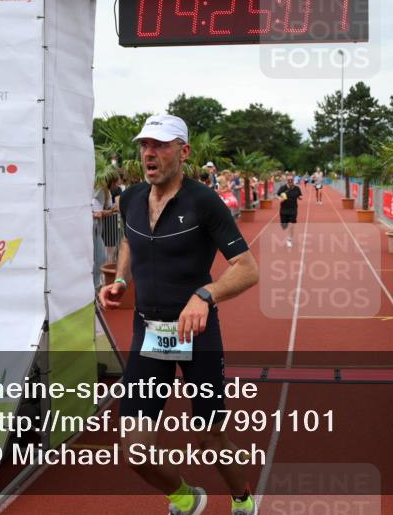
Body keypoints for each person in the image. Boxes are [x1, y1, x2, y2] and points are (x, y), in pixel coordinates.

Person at [98, 114, 260, 515]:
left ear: (183, 152)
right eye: (144, 145)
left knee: (210, 439)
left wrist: (205, 295)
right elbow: (131, 244)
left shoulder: (204, 202)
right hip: (149, 335)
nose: (149, 153)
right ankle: (187, 498)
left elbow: (247, 268)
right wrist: (119, 279)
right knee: (134, 450)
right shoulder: (130, 198)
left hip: (196, 334)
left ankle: (242, 498)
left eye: (161, 145)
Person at [276, 174, 303, 248]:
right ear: (287, 181)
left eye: (291, 179)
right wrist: (280, 199)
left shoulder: (297, 188)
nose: (290, 181)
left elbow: (300, 196)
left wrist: (300, 197)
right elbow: (277, 195)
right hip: (284, 210)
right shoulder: (283, 188)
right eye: (289, 180)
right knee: (284, 226)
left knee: (292, 224)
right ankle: (284, 225)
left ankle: (289, 239)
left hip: (293, 209)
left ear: (293, 180)